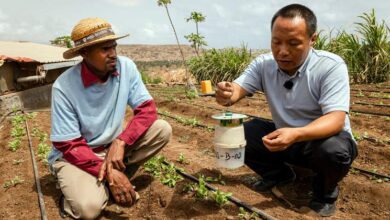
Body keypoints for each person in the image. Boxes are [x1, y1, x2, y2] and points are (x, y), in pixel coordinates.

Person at [215, 4, 357, 217]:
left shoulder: (330, 66)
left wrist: (297, 133)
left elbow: (336, 120)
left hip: (321, 140)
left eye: (293, 43)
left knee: (332, 152)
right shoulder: (263, 64)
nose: (282, 51)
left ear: (312, 40)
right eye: (276, 42)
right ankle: (279, 175)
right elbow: (236, 90)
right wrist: (227, 93)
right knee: (243, 133)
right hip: (287, 138)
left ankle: (324, 194)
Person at [48, 17, 172, 219]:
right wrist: (108, 171)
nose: (113, 54)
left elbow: (147, 109)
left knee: (162, 129)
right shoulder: (64, 87)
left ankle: (109, 180)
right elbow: (68, 145)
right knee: (88, 210)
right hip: (77, 157)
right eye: (104, 49)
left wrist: (121, 141)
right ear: (84, 53)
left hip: (112, 150)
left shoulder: (126, 68)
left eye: (114, 47)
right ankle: (98, 184)